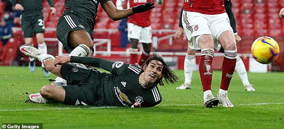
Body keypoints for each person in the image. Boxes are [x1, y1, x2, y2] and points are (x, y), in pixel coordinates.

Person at [43, 0, 154, 86]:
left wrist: (136, 9)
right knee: (87, 46)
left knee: (85, 63)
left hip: (86, 28)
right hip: (70, 20)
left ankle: (55, 87)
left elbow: (114, 14)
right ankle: (57, 80)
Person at [19, 45, 178, 107]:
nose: (154, 70)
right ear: (145, 67)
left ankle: (56, 91)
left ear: (160, 76)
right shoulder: (127, 70)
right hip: (91, 78)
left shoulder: (154, 98)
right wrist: (71, 58)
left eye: (159, 69)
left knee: (46, 91)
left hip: (90, 97)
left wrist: (137, 106)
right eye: (152, 66)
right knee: (49, 65)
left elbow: (141, 105)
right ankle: (41, 55)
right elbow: (99, 62)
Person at [174, 0, 255, 92]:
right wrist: (180, 27)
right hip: (200, 24)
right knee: (190, 51)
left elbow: (229, 13)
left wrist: (234, 33)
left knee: (232, 52)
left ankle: (247, 84)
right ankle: (187, 83)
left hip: (216, 26)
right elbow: (185, 7)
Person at [9, 0, 56, 76]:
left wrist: (52, 6)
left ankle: (45, 63)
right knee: (28, 43)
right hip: (25, 16)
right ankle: (31, 59)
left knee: (40, 39)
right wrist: (16, 5)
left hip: (38, 15)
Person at [116, 0, 163, 66]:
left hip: (146, 22)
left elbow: (159, 2)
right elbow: (119, 0)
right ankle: (132, 68)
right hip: (133, 21)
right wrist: (121, 11)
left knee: (147, 50)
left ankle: (140, 66)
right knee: (134, 44)